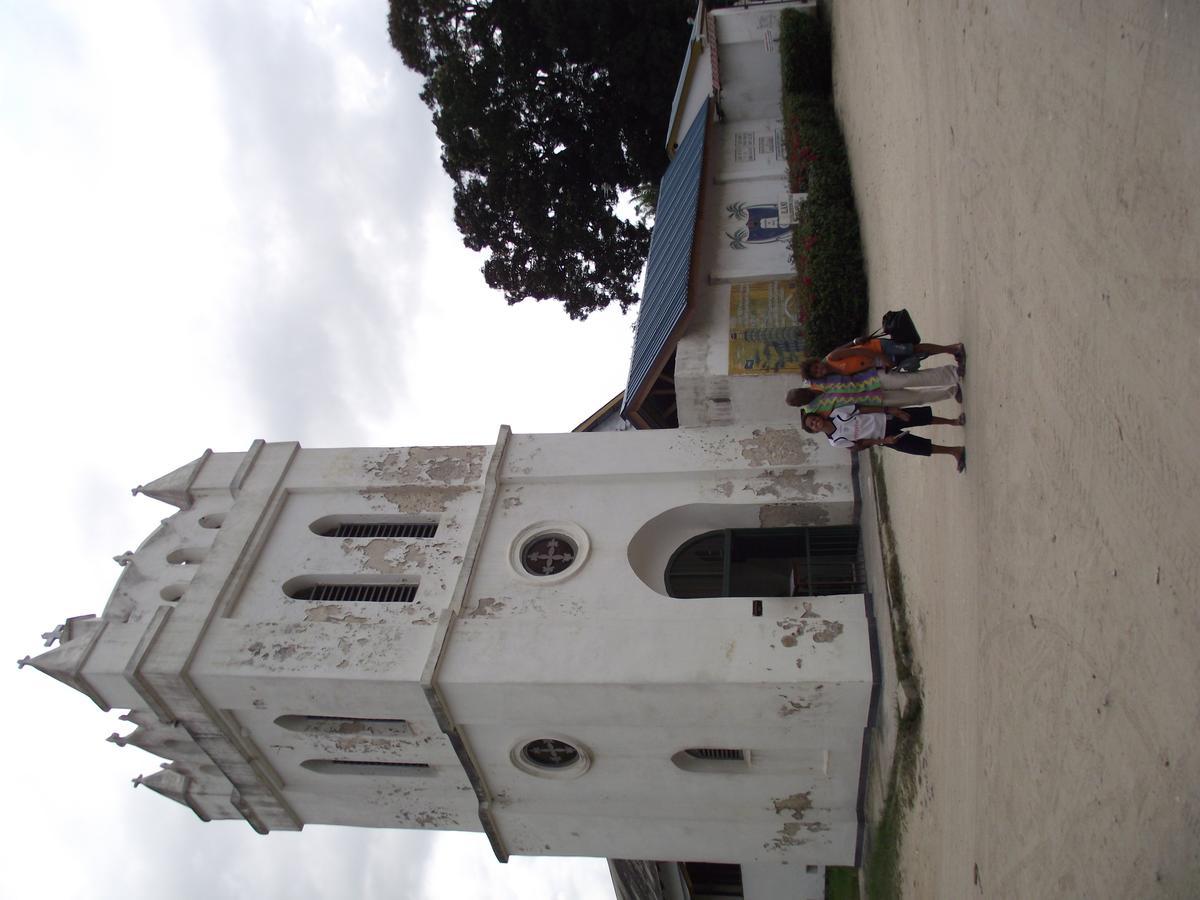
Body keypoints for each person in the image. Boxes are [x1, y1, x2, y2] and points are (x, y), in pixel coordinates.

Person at [801, 404, 967, 472]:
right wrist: (882, 441)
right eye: (812, 426)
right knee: (919, 447)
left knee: (921, 417)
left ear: (818, 416)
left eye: (813, 419)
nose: (815, 423)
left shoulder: (837, 413)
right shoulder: (835, 441)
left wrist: (890, 410)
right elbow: (859, 445)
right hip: (884, 436)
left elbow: (862, 409)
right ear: (814, 431)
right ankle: (954, 451)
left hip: (885, 419)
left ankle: (954, 421)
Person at [802, 338, 966, 378]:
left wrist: (883, 359)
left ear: (817, 362)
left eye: (816, 367)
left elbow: (860, 351)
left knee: (914, 348)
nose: (819, 370)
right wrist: (882, 366)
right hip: (880, 362)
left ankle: (953, 349)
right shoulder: (836, 375)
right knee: (916, 356)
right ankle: (952, 351)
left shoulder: (833, 357)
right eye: (816, 372)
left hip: (878, 348)